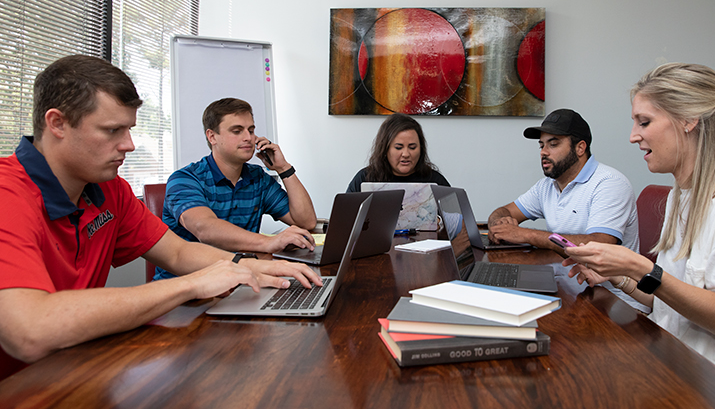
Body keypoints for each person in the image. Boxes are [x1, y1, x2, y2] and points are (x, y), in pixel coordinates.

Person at [0, 55, 322, 378]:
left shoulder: (111, 190)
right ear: (57, 124)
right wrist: (192, 285)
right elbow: (30, 332)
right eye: (113, 130)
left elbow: (178, 251)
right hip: (21, 387)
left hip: (78, 368)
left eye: (128, 129)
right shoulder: (7, 194)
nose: (128, 145)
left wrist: (263, 267)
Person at [563, 63, 715, 409]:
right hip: (679, 374)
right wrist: (618, 276)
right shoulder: (682, 195)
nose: (632, 135)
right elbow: (672, 299)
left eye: (644, 122)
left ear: (689, 119)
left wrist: (639, 265)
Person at [154, 98, 317, 281]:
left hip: (239, 280)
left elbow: (306, 222)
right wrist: (270, 242)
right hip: (186, 289)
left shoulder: (258, 178)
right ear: (212, 136)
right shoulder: (184, 179)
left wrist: (283, 168)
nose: (248, 137)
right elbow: (205, 228)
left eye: (251, 130)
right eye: (237, 131)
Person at [488, 108, 639, 254]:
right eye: (541, 145)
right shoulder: (546, 186)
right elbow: (504, 211)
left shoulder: (610, 183)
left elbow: (599, 245)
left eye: (553, 144)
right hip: (563, 275)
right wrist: (499, 225)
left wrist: (526, 235)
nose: (543, 152)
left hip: (603, 280)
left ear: (580, 148)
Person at [346, 113, 450, 192]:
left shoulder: (435, 181)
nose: (406, 154)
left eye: (412, 147)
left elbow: (459, 219)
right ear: (385, 149)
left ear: (421, 149)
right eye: (398, 147)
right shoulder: (365, 178)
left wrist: (438, 220)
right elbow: (344, 217)